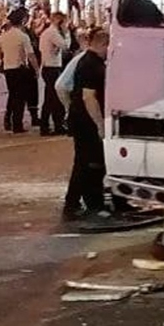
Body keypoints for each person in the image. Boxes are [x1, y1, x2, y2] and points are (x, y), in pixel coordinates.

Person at [64, 27, 111, 220]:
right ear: (102, 44)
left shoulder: (88, 61)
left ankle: (77, 203)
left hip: (81, 119)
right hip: (86, 121)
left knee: (85, 163)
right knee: (90, 163)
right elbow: (88, 97)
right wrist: (100, 125)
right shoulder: (91, 64)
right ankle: (89, 203)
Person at [0, 14, 36, 134]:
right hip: (20, 68)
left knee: (12, 94)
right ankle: (17, 124)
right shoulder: (23, 36)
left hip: (8, 68)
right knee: (20, 97)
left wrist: (1, 59)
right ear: (22, 21)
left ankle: (8, 120)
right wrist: (36, 69)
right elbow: (30, 54)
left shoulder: (4, 35)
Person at [37, 10, 70, 135]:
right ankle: (53, 125)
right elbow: (65, 45)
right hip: (52, 67)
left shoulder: (46, 32)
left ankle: (48, 125)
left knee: (50, 98)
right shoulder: (53, 33)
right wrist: (66, 33)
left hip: (48, 66)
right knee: (53, 99)